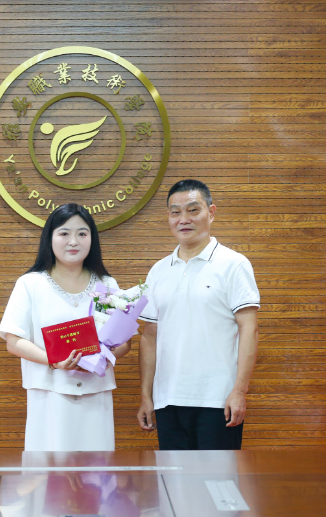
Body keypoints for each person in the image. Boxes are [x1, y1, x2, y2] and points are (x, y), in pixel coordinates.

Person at [136, 179, 260, 450]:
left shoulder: (233, 264)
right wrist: (147, 396)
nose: (184, 219)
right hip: (168, 401)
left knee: (218, 477)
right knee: (173, 477)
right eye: (175, 212)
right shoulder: (158, 271)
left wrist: (239, 391)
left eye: (193, 210)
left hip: (217, 401)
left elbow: (249, 329)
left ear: (211, 213)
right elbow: (149, 336)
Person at [0, 203, 132, 451]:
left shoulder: (106, 284)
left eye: (82, 233)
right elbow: (13, 341)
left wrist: (101, 358)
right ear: (49, 238)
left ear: (92, 239)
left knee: (97, 469)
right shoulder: (30, 284)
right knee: (49, 469)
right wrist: (54, 361)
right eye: (64, 233)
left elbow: (124, 343)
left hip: (95, 396)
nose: (73, 241)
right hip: (48, 396)